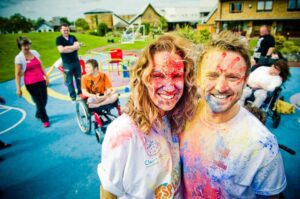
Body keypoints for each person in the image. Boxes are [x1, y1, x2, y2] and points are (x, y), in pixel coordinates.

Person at [180, 31, 286, 198]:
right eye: (212, 75)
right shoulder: (182, 117)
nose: (221, 87)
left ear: (245, 81)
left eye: (232, 77)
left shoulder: (262, 146)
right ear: (198, 78)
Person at [98, 34, 198, 198]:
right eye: (158, 75)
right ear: (143, 78)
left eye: (176, 75)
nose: (169, 86)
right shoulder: (123, 132)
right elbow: (108, 192)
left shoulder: (173, 119)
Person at [15, 36, 50, 127]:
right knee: (39, 101)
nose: (26, 47)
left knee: (44, 100)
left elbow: (41, 65)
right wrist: (18, 88)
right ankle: (45, 119)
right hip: (31, 84)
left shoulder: (35, 53)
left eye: (27, 45)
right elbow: (18, 74)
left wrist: (46, 76)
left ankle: (39, 114)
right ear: (20, 46)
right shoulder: (19, 58)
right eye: (24, 45)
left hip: (41, 80)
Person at [56, 23, 81, 102]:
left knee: (79, 79)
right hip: (67, 63)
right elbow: (61, 50)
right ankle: (73, 96)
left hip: (76, 62)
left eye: (67, 30)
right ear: (60, 30)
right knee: (70, 81)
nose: (66, 31)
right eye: (64, 30)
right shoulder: (59, 39)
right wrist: (73, 47)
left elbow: (78, 47)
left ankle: (80, 93)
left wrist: (66, 47)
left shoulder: (73, 37)